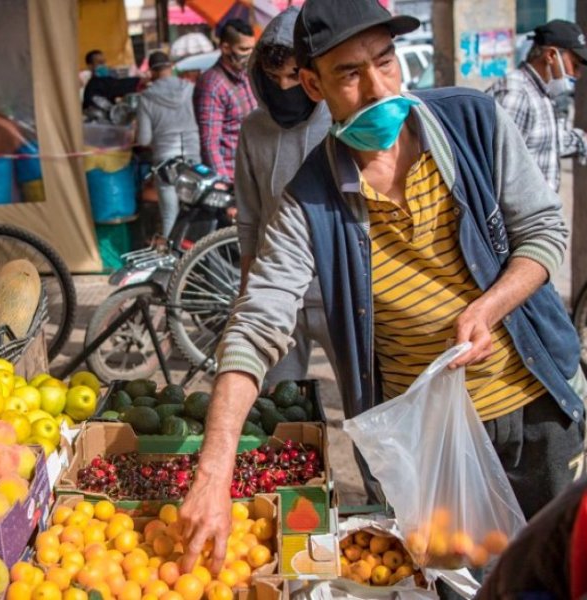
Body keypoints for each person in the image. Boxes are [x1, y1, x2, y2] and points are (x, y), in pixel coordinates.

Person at [178, 0, 587, 575]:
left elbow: (543, 232)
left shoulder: (474, 123)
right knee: (456, 582)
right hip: (431, 446)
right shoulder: (309, 201)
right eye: (349, 73)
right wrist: (213, 474)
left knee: (562, 573)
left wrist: (491, 306)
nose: (377, 87)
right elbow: (257, 322)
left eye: (385, 61)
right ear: (313, 84)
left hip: (538, 410)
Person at [235, 7, 334, 385]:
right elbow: (249, 218)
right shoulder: (253, 128)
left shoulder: (338, 119)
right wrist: (247, 296)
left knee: (367, 411)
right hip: (275, 291)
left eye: (294, 75)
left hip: (336, 290)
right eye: (273, 78)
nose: (285, 88)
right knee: (278, 408)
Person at [487, 20, 587, 192]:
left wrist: (581, 140)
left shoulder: (542, 93)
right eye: (574, 65)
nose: (577, 75)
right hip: (523, 216)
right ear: (551, 56)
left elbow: (545, 142)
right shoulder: (516, 92)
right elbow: (498, 164)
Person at [136, 51, 201, 236]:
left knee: (169, 213)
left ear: (151, 72)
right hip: (192, 153)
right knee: (196, 209)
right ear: (171, 66)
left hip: (165, 160)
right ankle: (199, 256)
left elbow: (144, 139)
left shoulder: (146, 98)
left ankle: (173, 260)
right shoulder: (190, 89)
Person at [193, 19, 256, 181]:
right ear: (226, 48)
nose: (250, 54)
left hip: (255, 173)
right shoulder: (212, 84)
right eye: (244, 49)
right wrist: (225, 186)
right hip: (233, 178)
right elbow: (210, 144)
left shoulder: (247, 76)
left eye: (252, 48)